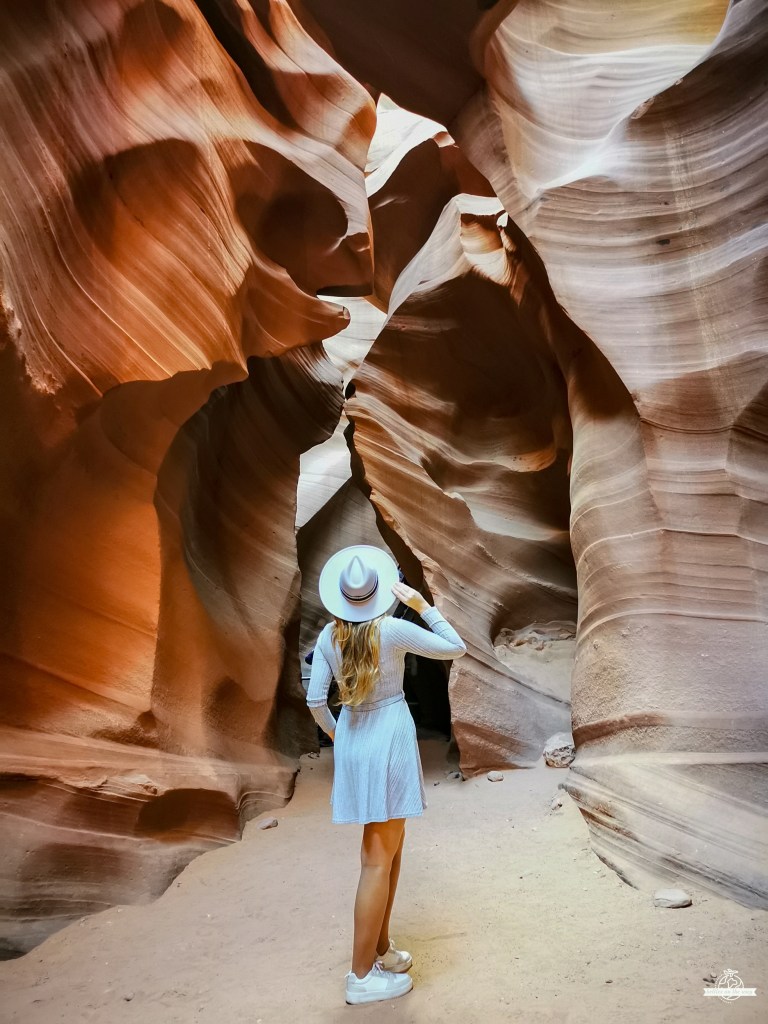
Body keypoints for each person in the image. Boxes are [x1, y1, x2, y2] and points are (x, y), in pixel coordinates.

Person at [305, 544, 467, 1006]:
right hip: (391, 735)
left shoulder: (327, 638)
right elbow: (455, 647)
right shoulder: (392, 630)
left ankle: (380, 949)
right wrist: (422, 605)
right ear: (378, 593)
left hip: (357, 735)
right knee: (378, 858)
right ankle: (359, 976)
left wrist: (342, 739)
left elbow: (317, 703)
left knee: (389, 854)